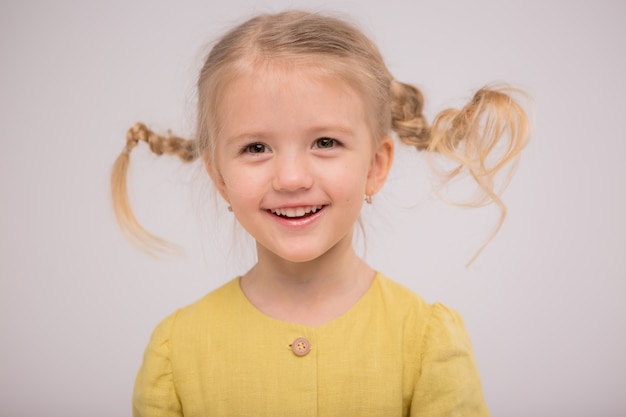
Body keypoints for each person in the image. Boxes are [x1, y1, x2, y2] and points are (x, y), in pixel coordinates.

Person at [111, 10, 529, 417]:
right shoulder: (177, 352)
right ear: (219, 177)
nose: (291, 178)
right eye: (256, 148)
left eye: (325, 142)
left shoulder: (426, 342)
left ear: (375, 166)